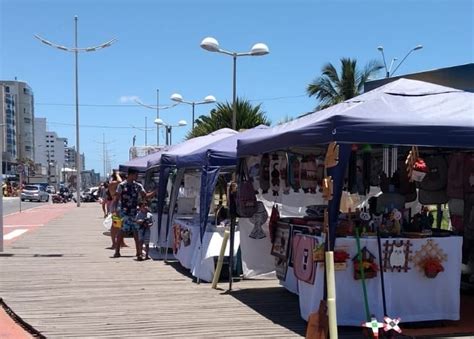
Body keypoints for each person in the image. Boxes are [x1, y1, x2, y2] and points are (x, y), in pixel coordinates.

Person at [112, 168, 155, 259]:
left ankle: (138, 252)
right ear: (131, 174)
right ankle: (117, 251)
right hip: (124, 211)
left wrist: (155, 192)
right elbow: (116, 199)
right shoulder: (122, 185)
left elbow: (145, 196)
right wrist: (115, 210)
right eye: (136, 174)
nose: (137, 176)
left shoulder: (138, 186)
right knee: (122, 230)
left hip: (135, 212)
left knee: (136, 231)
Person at [108, 170, 124, 249]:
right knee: (115, 225)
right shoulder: (113, 184)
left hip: (120, 205)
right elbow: (119, 181)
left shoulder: (118, 185)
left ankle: (121, 242)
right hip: (115, 206)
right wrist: (117, 173)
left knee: (120, 225)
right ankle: (114, 243)